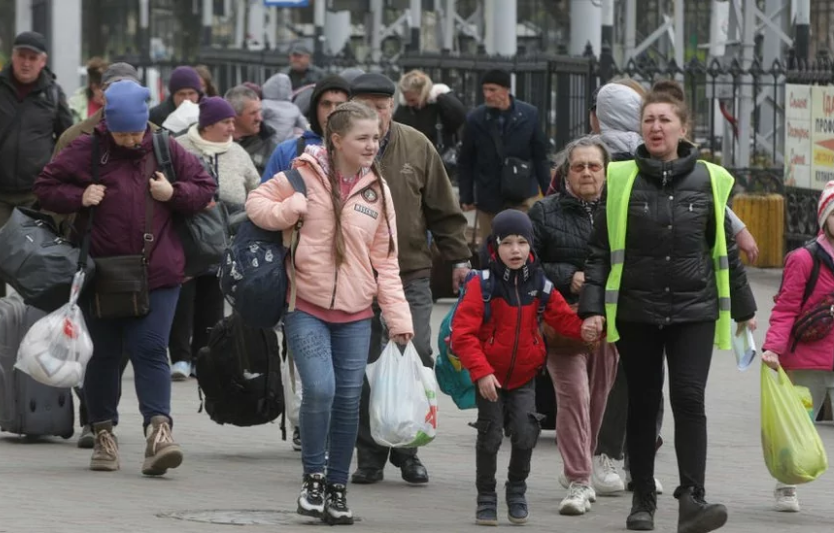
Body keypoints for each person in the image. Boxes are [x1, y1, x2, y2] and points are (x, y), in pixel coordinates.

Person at [578, 79, 758, 533]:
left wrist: (744, 308)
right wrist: (592, 307)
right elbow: (599, 252)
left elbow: (724, 250)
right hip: (637, 310)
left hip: (694, 311)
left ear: (683, 128)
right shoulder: (621, 178)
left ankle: (693, 499)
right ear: (640, 127)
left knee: (689, 399)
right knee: (643, 402)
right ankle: (642, 501)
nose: (655, 127)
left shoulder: (710, 179)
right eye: (649, 120)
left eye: (664, 120)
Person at [34, 80, 216, 476]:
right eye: (123, 133)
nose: (132, 140)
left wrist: (173, 193)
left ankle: (159, 432)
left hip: (159, 270)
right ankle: (103, 433)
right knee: (103, 355)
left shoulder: (165, 146)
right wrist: (79, 196)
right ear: (108, 125)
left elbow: (205, 188)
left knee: (150, 348)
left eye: (136, 132)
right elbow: (45, 187)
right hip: (102, 272)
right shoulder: (87, 148)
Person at [245, 101, 414, 525]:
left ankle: (338, 489)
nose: (372, 145)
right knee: (320, 389)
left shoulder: (377, 190)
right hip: (304, 305)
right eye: (363, 138)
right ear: (336, 140)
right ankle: (313, 481)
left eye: (376, 138)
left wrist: (398, 319)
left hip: (357, 313)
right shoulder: (301, 175)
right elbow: (255, 203)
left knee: (348, 400)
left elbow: (386, 260)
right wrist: (287, 211)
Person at [349, 73, 472, 486]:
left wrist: (459, 259)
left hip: (410, 272)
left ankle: (408, 449)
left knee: (415, 353)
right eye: (365, 107)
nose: (374, 115)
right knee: (366, 362)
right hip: (357, 275)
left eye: (381, 107)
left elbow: (443, 209)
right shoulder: (341, 149)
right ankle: (369, 455)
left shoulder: (417, 145)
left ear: (392, 108)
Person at [451, 209, 593, 526]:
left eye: (522, 242)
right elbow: (462, 335)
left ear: (530, 245)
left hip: (525, 377)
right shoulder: (482, 285)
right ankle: (486, 497)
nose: (515, 250)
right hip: (490, 377)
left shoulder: (539, 284)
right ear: (494, 246)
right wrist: (481, 372)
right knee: (490, 437)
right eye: (507, 243)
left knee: (526, 433)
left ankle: (516, 490)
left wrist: (588, 329)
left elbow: (563, 319)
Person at [51, 61, 158, 450]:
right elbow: (51, 188)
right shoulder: (77, 137)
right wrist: (76, 212)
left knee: (129, 347)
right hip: (93, 257)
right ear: (101, 93)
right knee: (97, 346)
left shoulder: (157, 137)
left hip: (144, 262)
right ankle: (95, 420)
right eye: (113, 87)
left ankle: (103, 415)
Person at [529, 136, 619, 515]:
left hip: (608, 320)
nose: (586, 173)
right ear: (565, 172)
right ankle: (580, 479)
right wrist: (569, 276)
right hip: (561, 319)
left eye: (594, 166)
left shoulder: (619, 209)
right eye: (578, 166)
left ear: (605, 172)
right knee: (574, 397)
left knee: (597, 398)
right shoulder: (544, 212)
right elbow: (528, 265)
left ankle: (578, 463)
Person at [169, 96, 260, 380]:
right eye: (226, 122)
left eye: (233, 121)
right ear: (208, 124)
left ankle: (203, 356)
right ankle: (180, 357)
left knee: (212, 297)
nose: (232, 127)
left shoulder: (238, 153)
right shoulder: (180, 147)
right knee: (183, 297)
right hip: (188, 233)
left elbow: (256, 188)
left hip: (224, 237)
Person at [761, 181, 834, 513]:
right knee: (796, 426)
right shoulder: (803, 258)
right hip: (806, 361)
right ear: (824, 217)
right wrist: (773, 348)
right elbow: (786, 307)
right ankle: (786, 485)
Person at [0, 30, 73, 298]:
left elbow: (68, 139)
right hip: (0, 193)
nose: (26, 63)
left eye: (33, 58)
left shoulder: (52, 93)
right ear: (13, 57)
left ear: (43, 61)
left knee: (33, 260)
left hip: (35, 195)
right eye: (22, 56)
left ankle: (30, 314)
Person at [458, 69, 550, 242]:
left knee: (520, 242)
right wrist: (466, 196)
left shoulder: (529, 115)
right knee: (491, 245)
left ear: (506, 89)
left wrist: (549, 192)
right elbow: (466, 161)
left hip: (520, 192)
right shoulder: (476, 119)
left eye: (492, 90)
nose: (487, 94)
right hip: (488, 195)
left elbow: (540, 157)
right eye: (485, 89)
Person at [261, 75, 351, 181]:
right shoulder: (286, 151)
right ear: (315, 108)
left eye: (340, 105)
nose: (332, 111)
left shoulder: (360, 150)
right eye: (326, 104)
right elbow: (265, 191)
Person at [393, 70, 467, 164]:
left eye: (413, 100)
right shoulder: (404, 110)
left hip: (438, 160)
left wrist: (442, 97)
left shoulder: (441, 105)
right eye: (407, 100)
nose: (410, 104)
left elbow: (460, 117)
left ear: (423, 93)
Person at [226, 85, 279, 175]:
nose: (259, 118)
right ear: (234, 116)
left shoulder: (272, 148)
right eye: (253, 113)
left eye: (260, 111)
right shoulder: (216, 143)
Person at [261, 72, 309, 144]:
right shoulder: (294, 108)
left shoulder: (264, 104)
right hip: (287, 145)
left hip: (269, 144)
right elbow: (305, 126)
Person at [68, 57, 108, 124]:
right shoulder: (75, 106)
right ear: (93, 86)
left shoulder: (116, 105)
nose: (107, 93)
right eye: (104, 89)